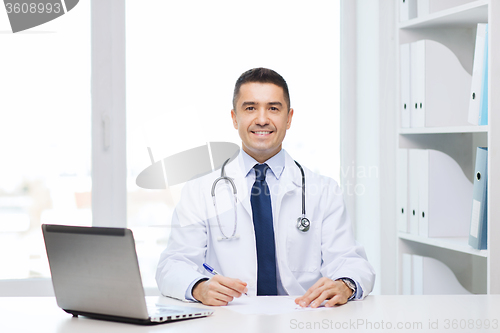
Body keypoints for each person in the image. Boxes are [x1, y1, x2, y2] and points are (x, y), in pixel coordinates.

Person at [156, 68, 375, 308]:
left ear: (289, 118)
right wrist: (199, 287)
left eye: (273, 108)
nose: (262, 119)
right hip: (229, 320)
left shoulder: (323, 191)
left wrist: (344, 285)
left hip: (302, 317)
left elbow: (351, 262)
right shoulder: (199, 191)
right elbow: (173, 264)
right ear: (234, 117)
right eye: (250, 108)